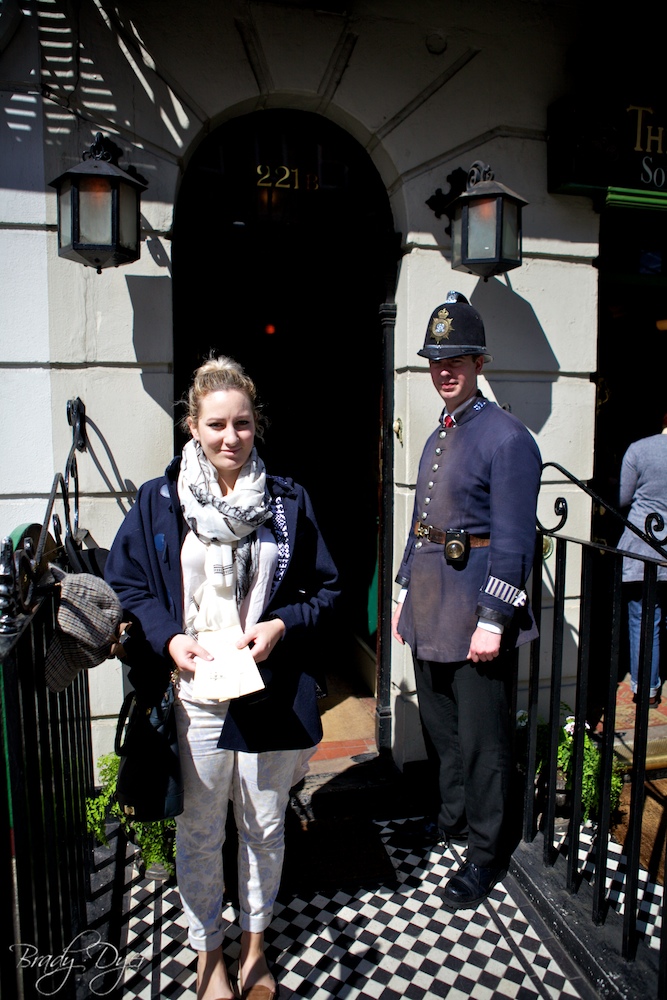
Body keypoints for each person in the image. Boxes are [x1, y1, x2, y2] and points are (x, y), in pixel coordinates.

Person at [105, 356, 339, 1000]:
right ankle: (209, 950)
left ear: (256, 423)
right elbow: (127, 584)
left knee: (264, 825)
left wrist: (281, 627)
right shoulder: (160, 501)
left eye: (242, 423)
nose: (230, 437)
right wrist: (169, 638)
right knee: (202, 828)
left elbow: (325, 588)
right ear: (192, 425)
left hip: (265, 688)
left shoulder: (288, 502)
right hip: (195, 693)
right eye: (216, 424)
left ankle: (256, 947)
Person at [391, 291, 541, 910]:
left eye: (455, 358)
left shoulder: (508, 438)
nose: (443, 369)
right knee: (442, 730)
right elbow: (423, 522)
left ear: (479, 361)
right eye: (435, 360)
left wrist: (494, 619)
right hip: (432, 605)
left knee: (483, 742)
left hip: (476, 611)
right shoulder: (440, 434)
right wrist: (405, 596)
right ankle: (452, 820)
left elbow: (513, 541)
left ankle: (485, 852)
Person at [618, 420, 667, 704]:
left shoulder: (640, 449)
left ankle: (646, 689)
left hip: (644, 545)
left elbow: (623, 498)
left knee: (644, 618)